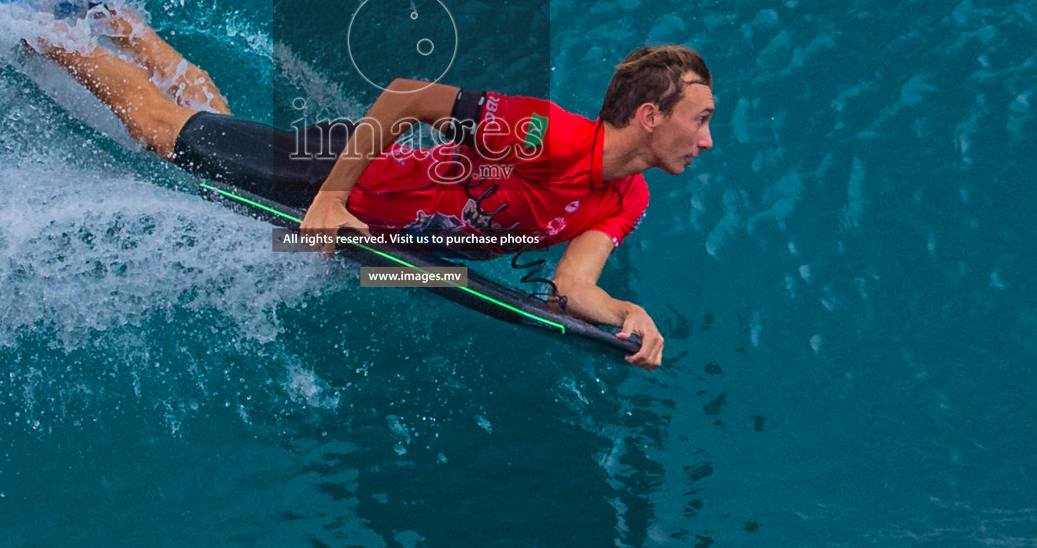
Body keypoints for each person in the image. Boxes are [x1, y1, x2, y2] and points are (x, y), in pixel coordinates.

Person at [38, 20, 713, 371]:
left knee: (211, 144)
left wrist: (627, 312)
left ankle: (139, 37)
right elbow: (407, 96)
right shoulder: (548, 136)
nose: (707, 140)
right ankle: (39, 28)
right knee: (163, 135)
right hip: (344, 171)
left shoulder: (628, 200)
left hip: (377, 224)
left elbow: (573, 286)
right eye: (701, 119)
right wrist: (332, 201)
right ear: (650, 116)